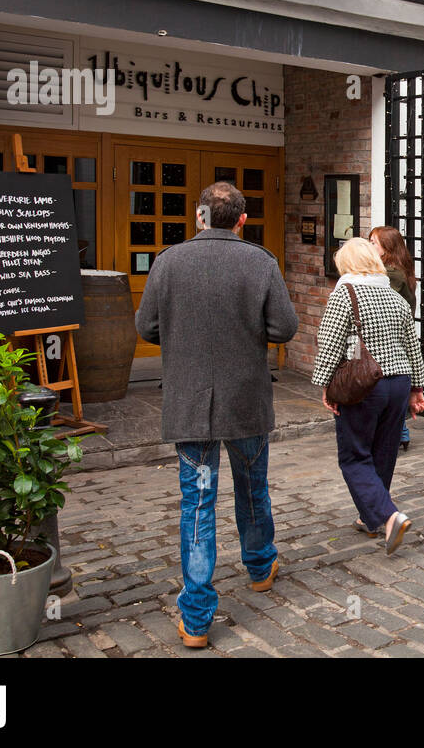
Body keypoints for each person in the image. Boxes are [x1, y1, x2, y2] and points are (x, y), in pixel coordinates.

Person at [135, 181, 299, 650]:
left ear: (200, 215)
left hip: (190, 402)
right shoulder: (260, 261)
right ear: (243, 220)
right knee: (253, 486)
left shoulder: (168, 262)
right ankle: (260, 565)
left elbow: (146, 326)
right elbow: (284, 326)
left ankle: (197, 619)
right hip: (245, 399)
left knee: (198, 503)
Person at [313, 238, 424, 556]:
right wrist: (417, 389)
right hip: (398, 384)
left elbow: (330, 342)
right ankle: (371, 517)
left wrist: (324, 383)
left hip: (365, 385)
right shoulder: (395, 297)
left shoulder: (345, 294)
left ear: (346, 265)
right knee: (384, 451)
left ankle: (389, 517)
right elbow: (411, 346)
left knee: (354, 456)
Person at [369, 225, 417, 451]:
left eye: (373, 243)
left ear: (387, 248)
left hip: (392, 339)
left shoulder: (390, 275)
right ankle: (400, 433)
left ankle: (397, 434)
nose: (369, 247)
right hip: (398, 338)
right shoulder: (396, 270)